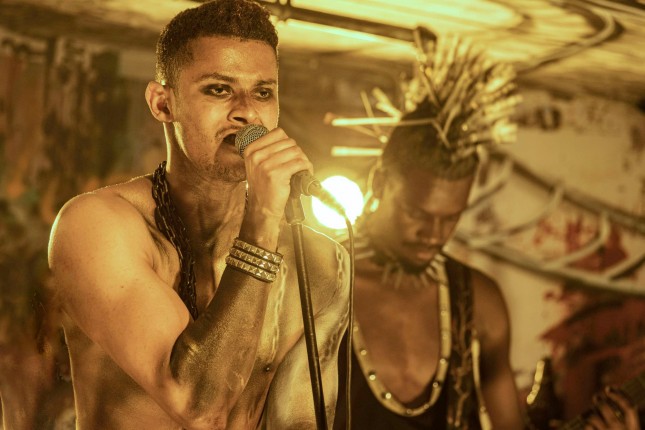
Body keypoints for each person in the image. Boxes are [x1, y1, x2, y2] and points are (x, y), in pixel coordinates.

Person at [47, 0, 349, 428]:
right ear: (162, 104)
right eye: (219, 90)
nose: (247, 112)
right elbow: (199, 407)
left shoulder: (319, 262)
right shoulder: (97, 225)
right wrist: (262, 222)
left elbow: (301, 421)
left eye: (263, 92)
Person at [332, 35, 638, 430]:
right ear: (379, 184)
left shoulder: (479, 300)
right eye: (417, 213)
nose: (434, 234)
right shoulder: (320, 280)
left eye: (451, 217)